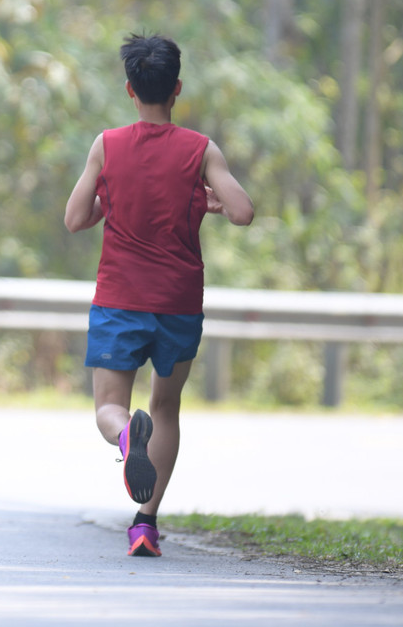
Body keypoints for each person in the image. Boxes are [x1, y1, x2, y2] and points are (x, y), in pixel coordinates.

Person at [63, 33, 253, 558]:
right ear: (177, 89)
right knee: (165, 407)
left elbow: (75, 219)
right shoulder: (201, 150)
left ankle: (126, 438)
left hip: (120, 298)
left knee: (110, 407)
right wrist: (215, 201)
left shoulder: (107, 145)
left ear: (130, 89)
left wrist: (108, 200)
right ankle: (144, 524)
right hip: (178, 301)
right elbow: (243, 212)